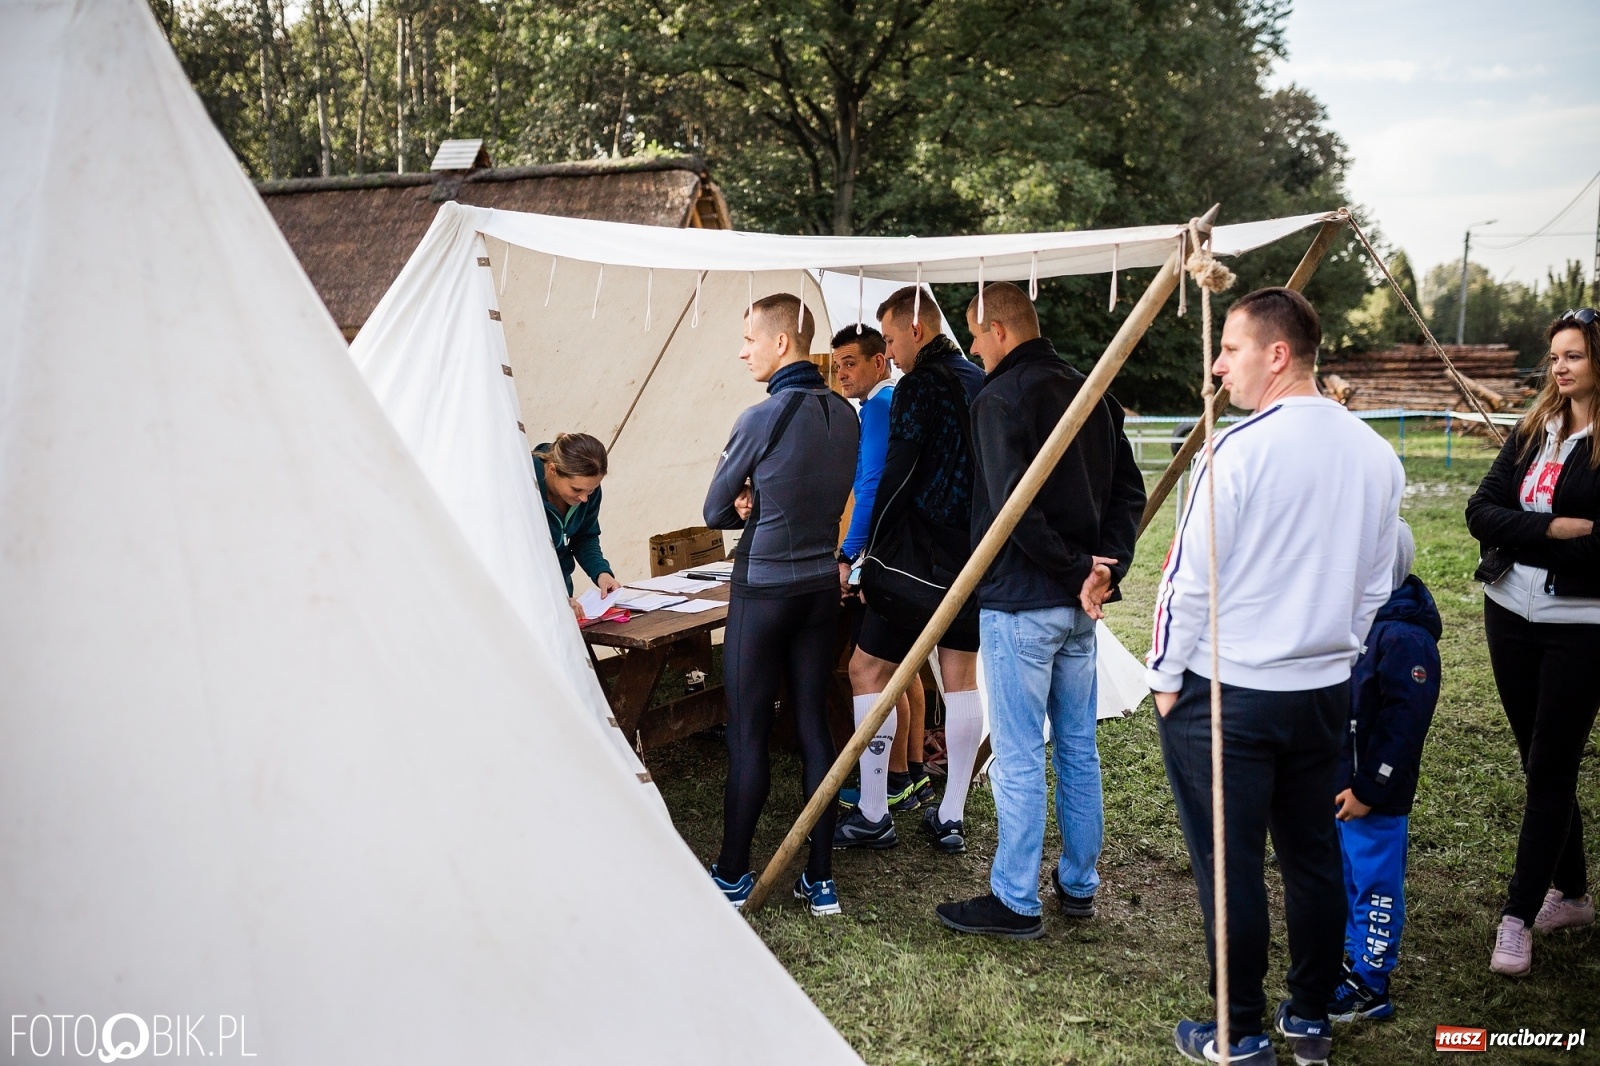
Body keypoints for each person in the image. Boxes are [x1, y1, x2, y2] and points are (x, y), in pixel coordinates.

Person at [1147, 287, 1403, 1066]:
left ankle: (1241, 1030)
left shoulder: (1239, 449)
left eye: (1230, 348)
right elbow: (1378, 582)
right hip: (1321, 691)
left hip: (1228, 692)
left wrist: (1163, 674)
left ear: (1278, 355)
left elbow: (1188, 579)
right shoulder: (1376, 452)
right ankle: (1310, 1017)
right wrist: (1336, 646)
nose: (1219, 366)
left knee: (1231, 865)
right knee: (1312, 856)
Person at [935, 282, 1145, 940]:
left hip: (1026, 599)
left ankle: (1016, 899)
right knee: (1077, 748)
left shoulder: (1000, 396)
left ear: (1000, 330)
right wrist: (1103, 568)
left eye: (975, 333)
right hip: (1075, 603)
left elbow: (1009, 509)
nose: (970, 346)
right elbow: (1128, 493)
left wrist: (1084, 570)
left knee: (1024, 753)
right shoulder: (1091, 390)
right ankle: (1078, 883)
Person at [703, 293, 858, 915]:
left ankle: (733, 873)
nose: (742, 351)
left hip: (763, 587)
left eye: (748, 339)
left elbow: (714, 510)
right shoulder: (847, 414)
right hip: (822, 586)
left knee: (747, 732)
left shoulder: (759, 417)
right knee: (814, 726)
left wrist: (746, 497)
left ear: (781, 343)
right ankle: (820, 879)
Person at [1465, 307, 1600, 978]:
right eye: (1555, 357)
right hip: (1508, 612)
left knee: (1551, 766)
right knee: (1537, 760)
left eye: (1574, 355)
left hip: (1582, 627)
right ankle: (1572, 894)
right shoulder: (1533, 430)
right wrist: (1552, 531)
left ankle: (1517, 917)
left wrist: (1521, 531)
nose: (1561, 367)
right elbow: (1478, 512)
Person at [843, 285, 987, 855]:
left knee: (866, 671)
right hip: (972, 559)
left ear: (917, 330)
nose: (892, 352)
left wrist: (867, 554)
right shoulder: (981, 380)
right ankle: (950, 814)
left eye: (894, 339)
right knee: (960, 680)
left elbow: (895, 475)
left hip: (912, 564)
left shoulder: (916, 387)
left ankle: (876, 809)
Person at [1331, 520, 1440, 1022]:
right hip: (1345, 793)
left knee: (1375, 889)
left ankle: (1371, 983)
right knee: (1348, 879)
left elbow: (1403, 726)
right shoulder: (1358, 623)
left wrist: (1370, 788)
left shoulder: (1404, 640)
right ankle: (1350, 962)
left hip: (1375, 799)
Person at [830, 327, 933, 844]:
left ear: (879, 361)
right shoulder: (894, 400)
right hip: (911, 551)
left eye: (851, 362)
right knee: (902, 671)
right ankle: (908, 778)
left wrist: (851, 551)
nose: (842, 373)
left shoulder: (876, 407)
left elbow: (870, 483)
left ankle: (885, 790)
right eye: (837, 365)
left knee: (868, 671)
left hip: (881, 553)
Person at [533, 433, 620, 621]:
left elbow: (584, 536)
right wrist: (555, 598)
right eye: (577, 489)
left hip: (564, 597)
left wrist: (601, 572)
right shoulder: (524, 485)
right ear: (552, 469)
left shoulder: (587, 493)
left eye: (592, 490)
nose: (584, 499)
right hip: (529, 600)